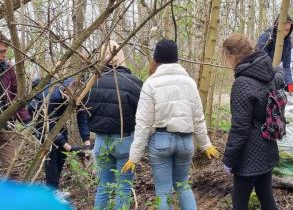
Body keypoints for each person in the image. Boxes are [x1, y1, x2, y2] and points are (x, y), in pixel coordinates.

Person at [121, 39, 220, 210]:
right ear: (176, 59)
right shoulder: (189, 83)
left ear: (156, 59)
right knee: (183, 185)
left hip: (161, 142)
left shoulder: (150, 84)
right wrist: (206, 144)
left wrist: (134, 156)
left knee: (163, 191)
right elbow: (198, 117)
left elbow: (143, 123)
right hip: (186, 142)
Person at [222, 34, 283, 210]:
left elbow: (240, 128)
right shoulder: (267, 72)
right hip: (268, 147)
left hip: (248, 157)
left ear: (232, 56)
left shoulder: (242, 83)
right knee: (266, 196)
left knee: (239, 203)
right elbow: (279, 76)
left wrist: (229, 160)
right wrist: (280, 69)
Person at [85, 40, 142, 209]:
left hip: (101, 141)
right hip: (124, 140)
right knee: (123, 187)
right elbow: (143, 112)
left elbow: (84, 110)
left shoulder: (92, 82)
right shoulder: (133, 82)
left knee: (103, 187)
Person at [28, 77, 91, 192]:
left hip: (59, 121)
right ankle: (52, 190)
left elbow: (82, 117)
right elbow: (50, 126)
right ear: (65, 92)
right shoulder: (51, 97)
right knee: (52, 156)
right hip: (43, 123)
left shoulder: (80, 93)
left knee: (62, 154)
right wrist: (69, 147)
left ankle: (54, 188)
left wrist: (87, 143)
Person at [0, 32, 31, 177]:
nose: (3, 56)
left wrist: (27, 121)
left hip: (5, 126)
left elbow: (16, 97)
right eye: (1, 52)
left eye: (5, 52)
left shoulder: (7, 68)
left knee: (12, 169)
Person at [256, 14, 293, 96]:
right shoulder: (266, 37)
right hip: (263, 76)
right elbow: (261, 60)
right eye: (283, 29)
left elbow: (286, 65)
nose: (285, 33)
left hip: (276, 76)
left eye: (287, 30)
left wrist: (289, 83)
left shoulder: (288, 42)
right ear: (277, 26)